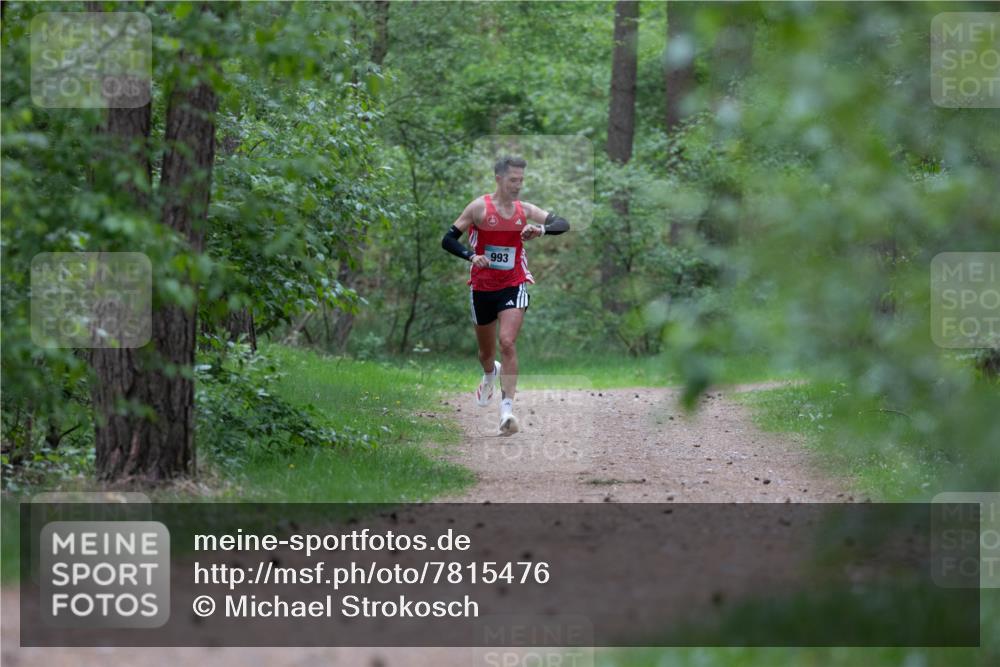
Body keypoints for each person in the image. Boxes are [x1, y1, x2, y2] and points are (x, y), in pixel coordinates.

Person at [441, 156, 570, 435]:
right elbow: (448, 239)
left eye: (521, 180)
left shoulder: (525, 210)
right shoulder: (478, 208)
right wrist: (472, 256)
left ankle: (506, 412)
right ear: (498, 179)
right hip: (481, 288)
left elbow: (563, 223)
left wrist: (541, 229)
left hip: (513, 283)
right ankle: (490, 373)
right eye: (513, 180)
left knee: (507, 342)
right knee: (486, 354)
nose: (518, 185)